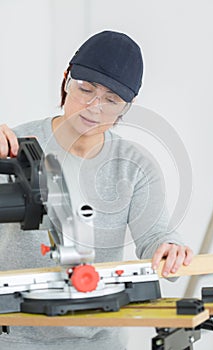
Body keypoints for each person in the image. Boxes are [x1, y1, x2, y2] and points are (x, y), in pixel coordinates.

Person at [0, 30, 193, 350]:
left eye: (111, 100)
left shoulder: (135, 166)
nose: (93, 107)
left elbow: (155, 239)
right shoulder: (12, 147)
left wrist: (170, 248)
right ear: (65, 81)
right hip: (15, 335)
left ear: (126, 108)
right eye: (85, 89)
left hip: (100, 338)